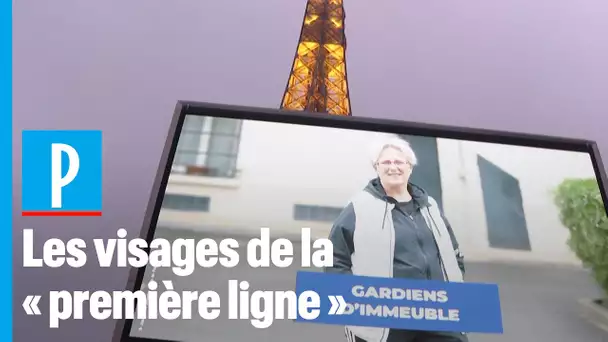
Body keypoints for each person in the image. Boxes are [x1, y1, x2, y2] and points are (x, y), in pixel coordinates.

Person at [325, 136, 468, 342]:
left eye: (399, 162)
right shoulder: (360, 207)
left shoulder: (430, 206)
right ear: (377, 167)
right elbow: (334, 257)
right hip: (385, 318)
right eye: (386, 162)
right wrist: (354, 298)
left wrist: (455, 282)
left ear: (410, 167)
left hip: (436, 311)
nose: (393, 167)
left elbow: (453, 252)